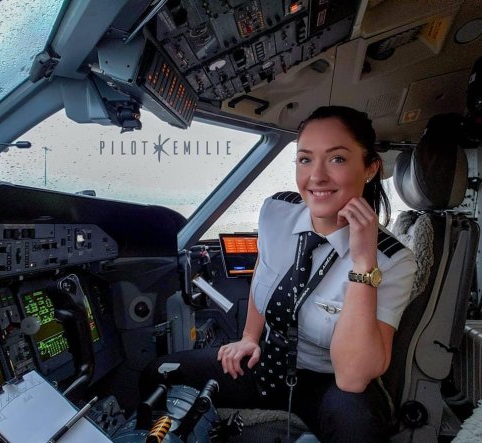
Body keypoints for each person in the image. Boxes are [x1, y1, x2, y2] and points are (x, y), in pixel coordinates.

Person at [140, 106, 416, 442]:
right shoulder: (276, 211)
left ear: (370, 168)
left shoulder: (394, 261)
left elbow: (353, 377)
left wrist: (362, 264)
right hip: (268, 362)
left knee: (360, 427)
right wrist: (249, 337)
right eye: (305, 159)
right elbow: (265, 271)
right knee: (158, 374)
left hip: (328, 381)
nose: (317, 176)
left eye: (337, 159)